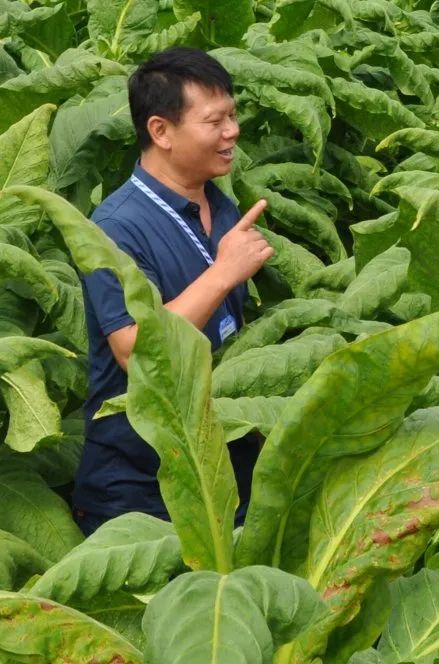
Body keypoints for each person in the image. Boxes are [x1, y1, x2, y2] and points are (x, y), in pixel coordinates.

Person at [73, 47, 273, 535]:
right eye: (215, 121)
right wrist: (224, 272)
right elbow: (136, 350)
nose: (232, 132)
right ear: (161, 131)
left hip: (220, 462)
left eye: (233, 115)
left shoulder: (219, 204)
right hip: (140, 485)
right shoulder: (116, 229)